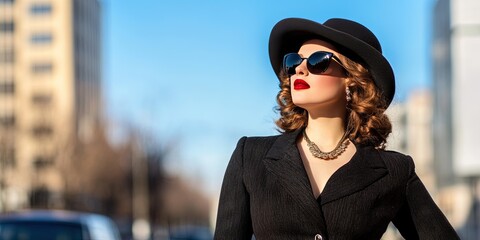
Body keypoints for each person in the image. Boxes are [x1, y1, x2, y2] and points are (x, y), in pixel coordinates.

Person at [214, 18, 459, 240]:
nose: (300, 69)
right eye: (293, 61)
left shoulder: (394, 171)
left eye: (318, 61)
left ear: (353, 80)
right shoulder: (251, 156)